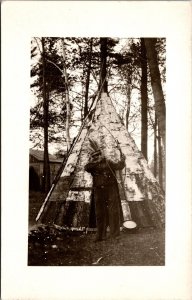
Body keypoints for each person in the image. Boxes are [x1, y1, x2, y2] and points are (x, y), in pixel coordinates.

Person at [85, 147, 126, 241]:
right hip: (99, 190)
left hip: (111, 189)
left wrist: (123, 160)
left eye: (98, 155)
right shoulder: (91, 165)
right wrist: (96, 161)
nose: (96, 157)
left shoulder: (108, 162)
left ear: (101, 154)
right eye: (94, 156)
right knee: (99, 213)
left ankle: (115, 234)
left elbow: (119, 166)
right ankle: (100, 235)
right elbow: (87, 168)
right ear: (92, 157)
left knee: (113, 211)